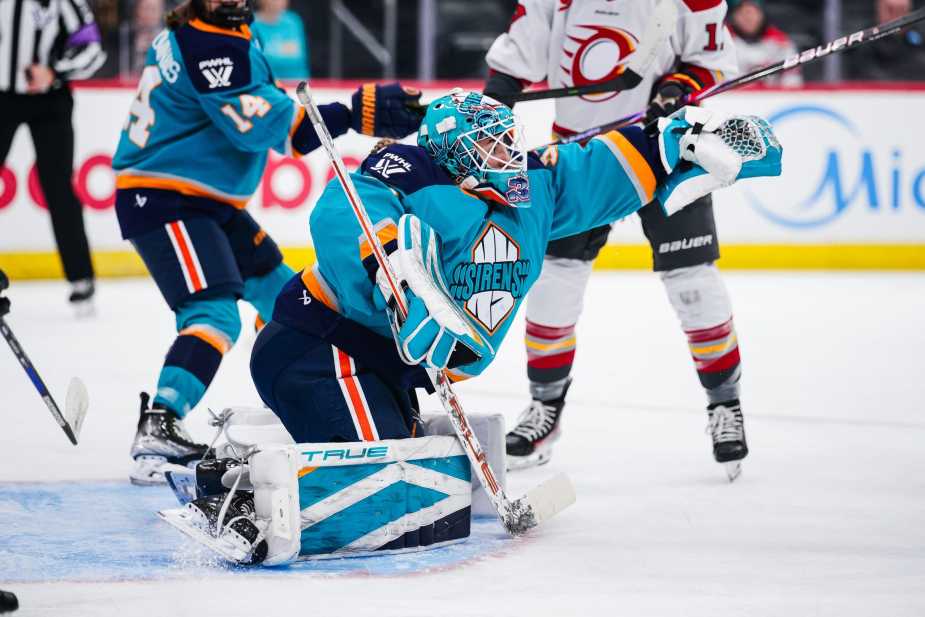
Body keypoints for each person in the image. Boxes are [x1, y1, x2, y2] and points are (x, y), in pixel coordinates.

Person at [246, 90, 780, 474]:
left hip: (384, 367)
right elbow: (346, 211)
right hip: (321, 349)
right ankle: (246, 494)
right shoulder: (407, 167)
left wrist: (680, 141)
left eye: (508, 142)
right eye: (493, 148)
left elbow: (596, 170)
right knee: (382, 484)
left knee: (410, 477)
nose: (510, 159)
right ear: (455, 153)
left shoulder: (533, 194)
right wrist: (395, 271)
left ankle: (274, 459)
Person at [111, 0, 425, 485]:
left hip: (207, 201)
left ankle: (311, 397)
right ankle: (161, 423)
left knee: (288, 298)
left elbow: (265, 109)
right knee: (213, 314)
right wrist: (355, 111)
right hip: (165, 197)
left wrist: (352, 113)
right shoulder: (211, 44)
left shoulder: (219, 30)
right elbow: (269, 129)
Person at [482, 0, 751, 479]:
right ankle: (544, 411)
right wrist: (493, 104)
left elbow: (712, 62)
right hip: (582, 152)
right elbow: (518, 57)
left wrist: (677, 87)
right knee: (553, 282)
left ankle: (724, 405)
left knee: (692, 282)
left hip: (666, 145)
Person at [0, 0, 106, 314]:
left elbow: (92, 48)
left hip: (51, 100)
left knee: (58, 187)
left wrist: (54, 70)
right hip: (2, 98)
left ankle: (81, 278)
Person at [727, 0, 802, 87]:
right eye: (742, 13)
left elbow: (793, 81)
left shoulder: (781, 42)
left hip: (773, 97)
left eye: (753, 12)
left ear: (762, 14)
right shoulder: (723, 42)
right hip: (733, 97)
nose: (748, 18)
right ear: (733, 16)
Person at [251, 0, 309, 80]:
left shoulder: (293, 22)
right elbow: (255, 63)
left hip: (296, 83)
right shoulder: (252, 24)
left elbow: (298, 60)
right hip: (266, 85)